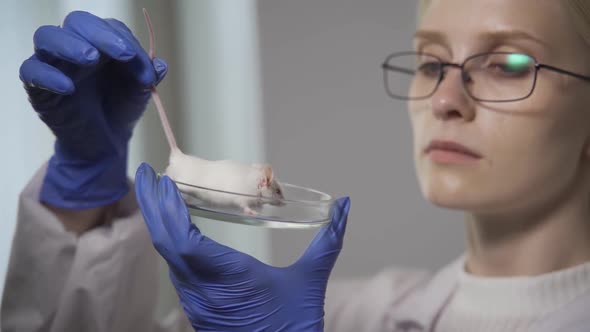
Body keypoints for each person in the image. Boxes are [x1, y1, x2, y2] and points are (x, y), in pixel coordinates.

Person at [4, 0, 590, 331]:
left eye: (510, 64)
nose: (443, 99)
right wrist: (81, 194)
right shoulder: (348, 314)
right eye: (431, 61)